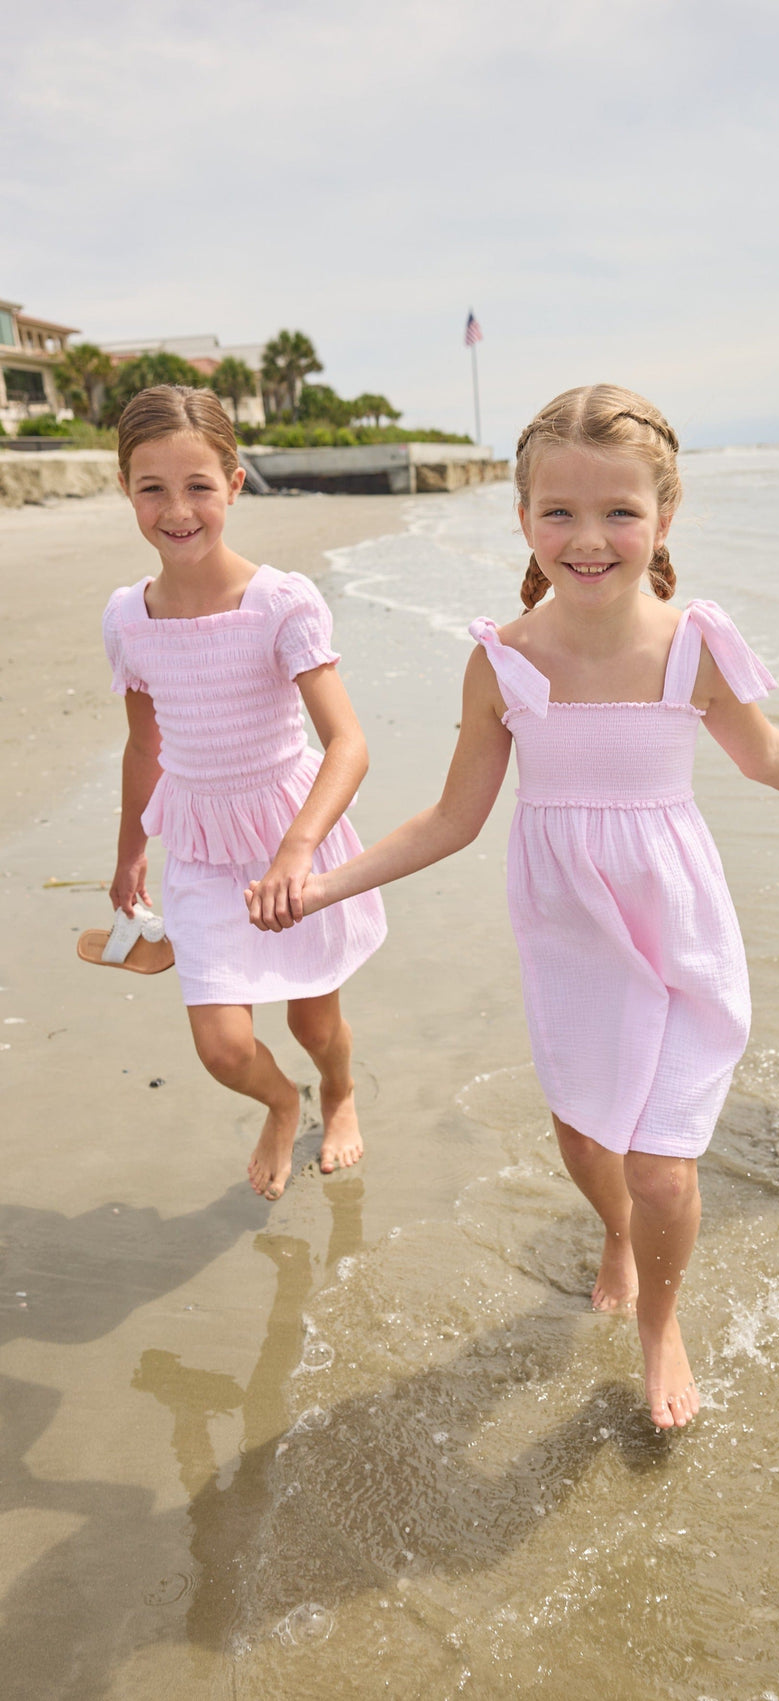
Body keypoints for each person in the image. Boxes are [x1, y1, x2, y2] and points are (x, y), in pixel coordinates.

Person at [247, 383, 779, 1426]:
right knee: (584, 1141)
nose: (588, 538)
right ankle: (610, 1231)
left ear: (663, 516)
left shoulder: (693, 645)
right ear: (522, 520)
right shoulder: (504, 662)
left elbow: (764, 753)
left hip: (676, 927)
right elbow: (450, 818)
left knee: (660, 1167)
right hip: (570, 935)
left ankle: (660, 1320)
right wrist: (320, 885)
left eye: (618, 512)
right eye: (558, 512)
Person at [103, 385, 386, 1201]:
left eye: (198, 486)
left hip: (290, 831)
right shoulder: (128, 618)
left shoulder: (278, 603)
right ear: (126, 489)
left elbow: (349, 742)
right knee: (224, 1045)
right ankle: (280, 1099)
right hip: (197, 842)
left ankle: (337, 1089)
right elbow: (145, 743)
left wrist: (298, 850)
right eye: (152, 488)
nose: (177, 509)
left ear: (234, 482)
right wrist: (129, 856)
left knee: (311, 1019)